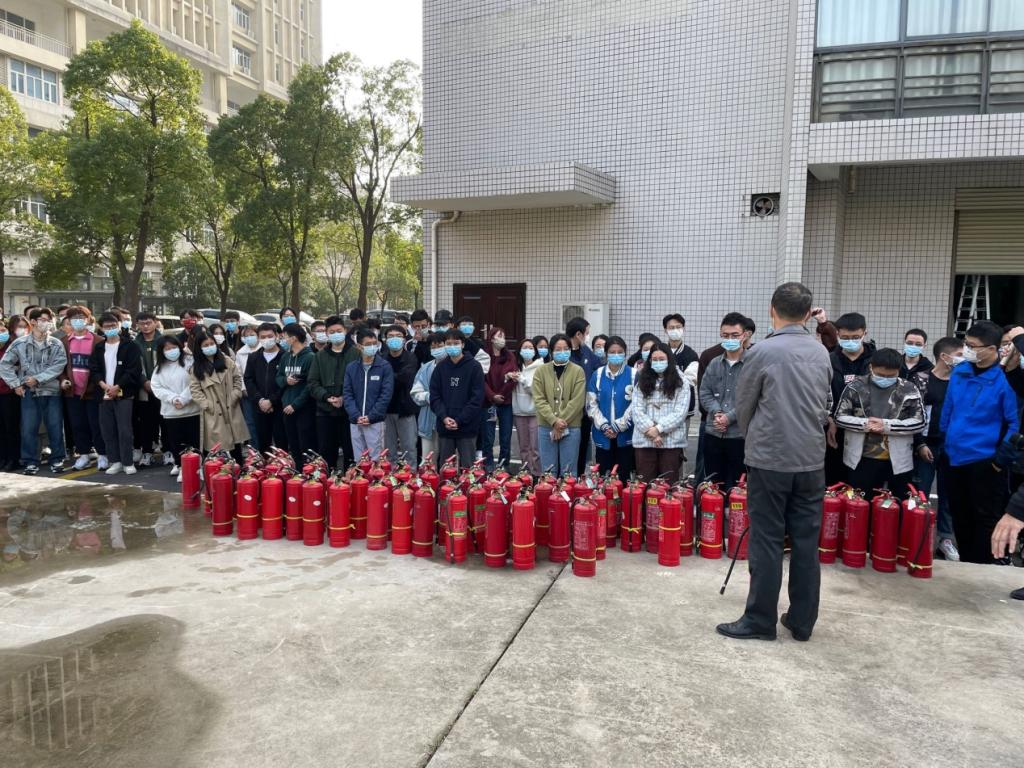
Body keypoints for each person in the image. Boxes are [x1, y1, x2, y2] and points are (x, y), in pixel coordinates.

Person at [718, 282, 832, 643]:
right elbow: (823, 402)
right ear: (807, 313)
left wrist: (755, 436)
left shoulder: (762, 352)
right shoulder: (820, 352)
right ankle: (802, 620)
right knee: (805, 542)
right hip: (811, 460)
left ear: (772, 310)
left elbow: (745, 405)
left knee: (767, 540)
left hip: (770, 459)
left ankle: (760, 619)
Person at [941, 321, 1020, 564]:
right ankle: (966, 564)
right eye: (966, 343)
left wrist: (999, 460)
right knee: (959, 515)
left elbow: (1014, 423)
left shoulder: (1005, 379)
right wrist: (945, 440)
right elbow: (949, 407)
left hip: (985, 460)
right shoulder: (960, 371)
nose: (967, 349)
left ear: (992, 349)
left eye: (973, 346)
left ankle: (983, 567)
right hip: (953, 456)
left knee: (984, 519)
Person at [834, 347, 926, 501]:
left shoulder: (909, 389)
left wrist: (886, 426)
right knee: (860, 505)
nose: (885, 378)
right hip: (861, 459)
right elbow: (839, 417)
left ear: (899, 371)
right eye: (880, 375)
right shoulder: (855, 387)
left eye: (891, 376)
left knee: (897, 505)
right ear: (871, 367)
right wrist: (866, 424)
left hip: (898, 461)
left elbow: (920, 421)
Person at [911, 336, 963, 561]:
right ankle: (918, 535)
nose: (964, 359)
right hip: (926, 444)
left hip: (952, 446)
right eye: (960, 355)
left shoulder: (962, 380)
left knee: (948, 494)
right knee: (920, 492)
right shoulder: (921, 379)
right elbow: (912, 413)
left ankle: (946, 538)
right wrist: (919, 443)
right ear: (944, 356)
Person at [0, 308, 68, 474]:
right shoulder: (20, 343)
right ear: (33, 322)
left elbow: (59, 365)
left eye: (49, 320)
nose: (47, 323)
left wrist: (38, 378)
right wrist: (15, 384)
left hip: (51, 391)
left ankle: (57, 459)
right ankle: (30, 461)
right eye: (43, 320)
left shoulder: (56, 343)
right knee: (28, 429)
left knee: (55, 427)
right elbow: (5, 364)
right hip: (29, 392)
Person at [699, 315, 753, 491]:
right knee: (714, 485)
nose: (730, 339)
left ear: (744, 335)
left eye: (735, 335)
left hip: (740, 435)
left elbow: (752, 398)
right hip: (713, 432)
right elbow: (704, 392)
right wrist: (717, 413)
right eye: (725, 335)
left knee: (739, 486)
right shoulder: (714, 363)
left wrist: (729, 418)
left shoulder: (753, 364)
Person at [89, 312, 143, 476]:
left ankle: (127, 462)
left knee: (124, 429)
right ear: (101, 328)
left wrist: (117, 386)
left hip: (124, 393)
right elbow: (94, 370)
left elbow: (133, 370)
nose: (111, 328)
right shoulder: (99, 347)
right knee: (108, 429)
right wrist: (103, 385)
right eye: (107, 326)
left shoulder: (130, 346)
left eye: (113, 325)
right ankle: (115, 461)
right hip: (104, 393)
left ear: (119, 325)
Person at [631, 342, 689, 484]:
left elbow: (680, 412)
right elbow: (636, 409)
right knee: (645, 483)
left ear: (669, 359)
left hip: (671, 441)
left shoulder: (681, 381)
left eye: (662, 359)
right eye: (654, 359)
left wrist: (658, 429)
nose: (658, 362)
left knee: (669, 484)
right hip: (645, 440)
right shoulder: (642, 379)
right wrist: (650, 429)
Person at [826, 312, 874, 484]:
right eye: (845, 338)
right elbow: (821, 392)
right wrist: (829, 418)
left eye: (856, 337)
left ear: (864, 333)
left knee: (862, 482)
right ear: (837, 334)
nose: (851, 341)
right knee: (833, 481)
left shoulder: (875, 360)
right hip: (834, 429)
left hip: (867, 430)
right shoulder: (829, 360)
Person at [308, 316, 359, 469]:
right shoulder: (320, 356)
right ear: (327, 334)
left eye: (339, 331)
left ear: (345, 331)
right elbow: (312, 382)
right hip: (325, 412)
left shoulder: (356, 353)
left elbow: (360, 382)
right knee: (326, 453)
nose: (336, 334)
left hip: (349, 412)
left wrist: (344, 398)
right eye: (332, 332)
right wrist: (326, 397)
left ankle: (350, 480)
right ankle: (329, 480)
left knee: (351, 453)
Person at [429, 329, 485, 469]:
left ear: (463, 344)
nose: (452, 346)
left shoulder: (474, 367)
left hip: (467, 427)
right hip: (445, 426)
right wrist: (444, 417)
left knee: (468, 468)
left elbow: (477, 399)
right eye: (448, 343)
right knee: (446, 468)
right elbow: (434, 396)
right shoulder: (440, 367)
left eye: (456, 343)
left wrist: (460, 419)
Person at [59, 306, 106, 471]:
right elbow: (60, 366)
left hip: (93, 391)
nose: (78, 320)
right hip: (72, 392)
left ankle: (102, 454)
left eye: (81, 317)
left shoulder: (98, 340)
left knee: (96, 424)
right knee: (78, 424)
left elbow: (103, 366)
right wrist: (63, 380)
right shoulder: (64, 341)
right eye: (74, 318)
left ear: (88, 319)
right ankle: (83, 454)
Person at [533, 333, 586, 477]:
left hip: (571, 426)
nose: (562, 352)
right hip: (546, 426)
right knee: (548, 471)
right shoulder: (541, 371)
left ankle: (567, 492)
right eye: (558, 349)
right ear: (551, 351)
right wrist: (553, 421)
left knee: (568, 472)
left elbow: (578, 401)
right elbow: (539, 399)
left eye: (566, 349)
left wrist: (560, 423)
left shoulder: (578, 371)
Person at [189, 332, 248, 459]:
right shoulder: (196, 368)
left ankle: (238, 467)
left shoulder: (227, 361)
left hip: (231, 405)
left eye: (212, 343)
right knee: (217, 446)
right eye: (205, 345)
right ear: (199, 348)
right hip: (214, 410)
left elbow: (237, 378)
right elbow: (195, 390)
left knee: (236, 443)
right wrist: (207, 404)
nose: (210, 347)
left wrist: (235, 394)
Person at [150, 336, 200, 481]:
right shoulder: (159, 368)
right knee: (176, 441)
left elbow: (196, 381)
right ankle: (180, 465)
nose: (171, 351)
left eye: (174, 347)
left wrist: (184, 398)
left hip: (192, 410)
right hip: (171, 412)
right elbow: (156, 387)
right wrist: (173, 398)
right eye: (167, 349)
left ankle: (198, 466)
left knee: (194, 440)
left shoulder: (190, 361)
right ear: (162, 351)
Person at [586, 336, 634, 483]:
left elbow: (636, 405)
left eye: (620, 352)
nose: (616, 355)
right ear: (606, 354)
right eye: (612, 352)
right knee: (604, 477)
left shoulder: (633, 374)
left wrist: (618, 426)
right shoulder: (597, 374)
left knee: (624, 478)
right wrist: (605, 426)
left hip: (626, 434)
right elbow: (591, 404)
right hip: (603, 434)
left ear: (625, 353)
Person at [344, 328, 394, 462]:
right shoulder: (351, 367)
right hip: (356, 421)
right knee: (359, 460)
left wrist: (372, 416)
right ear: (359, 346)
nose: (372, 347)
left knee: (376, 459)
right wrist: (355, 415)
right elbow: (347, 394)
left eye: (374, 343)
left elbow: (386, 394)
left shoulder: (384, 367)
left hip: (375, 421)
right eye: (368, 344)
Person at [244, 323, 287, 453]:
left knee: (282, 444)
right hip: (259, 406)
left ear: (277, 336)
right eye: (263, 337)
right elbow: (248, 379)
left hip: (280, 407)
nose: (266, 339)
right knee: (263, 444)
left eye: (270, 336)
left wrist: (272, 401)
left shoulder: (286, 356)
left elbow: (285, 382)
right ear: (258, 338)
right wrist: (260, 400)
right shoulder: (253, 357)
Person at [276, 323, 315, 467]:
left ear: (293, 338)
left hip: (303, 407)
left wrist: (295, 404)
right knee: (293, 444)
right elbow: (278, 377)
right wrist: (285, 380)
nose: (283, 340)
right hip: (286, 406)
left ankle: (309, 471)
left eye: (285, 337)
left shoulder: (310, 357)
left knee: (305, 443)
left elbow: (310, 385)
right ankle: (297, 471)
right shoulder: (285, 357)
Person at [133, 312, 167, 467]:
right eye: (142, 323)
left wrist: (156, 383)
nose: (145, 326)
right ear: (137, 325)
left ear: (155, 322)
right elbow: (133, 366)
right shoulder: (135, 343)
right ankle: (147, 452)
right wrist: (144, 382)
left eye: (148, 322)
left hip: (163, 388)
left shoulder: (164, 341)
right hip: (143, 389)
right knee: (146, 422)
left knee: (164, 421)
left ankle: (168, 451)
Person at [481, 326, 517, 471]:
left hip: (505, 402)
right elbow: (481, 380)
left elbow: (514, 378)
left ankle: (504, 466)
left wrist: (500, 395)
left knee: (505, 436)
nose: (502, 339)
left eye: (503, 336)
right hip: (488, 403)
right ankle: (488, 465)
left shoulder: (510, 356)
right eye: (499, 336)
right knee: (488, 437)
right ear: (491, 338)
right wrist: (492, 396)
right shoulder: (484, 356)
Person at [382, 324, 419, 464]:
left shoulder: (411, 358)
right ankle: (389, 476)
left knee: (409, 448)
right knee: (388, 451)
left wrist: (387, 377)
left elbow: (406, 378)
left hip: (405, 409)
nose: (394, 339)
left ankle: (411, 475)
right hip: (385, 409)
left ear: (404, 339)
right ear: (385, 340)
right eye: (390, 336)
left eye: (398, 336)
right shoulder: (381, 358)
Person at [566, 317, 598, 476]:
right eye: (587, 333)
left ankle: (578, 477)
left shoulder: (586, 351)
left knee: (582, 446)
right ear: (578, 334)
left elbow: (598, 367)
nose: (587, 336)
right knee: (567, 448)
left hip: (584, 411)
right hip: (567, 412)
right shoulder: (563, 352)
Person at [511, 336, 544, 476]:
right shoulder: (515, 366)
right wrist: (508, 377)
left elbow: (536, 390)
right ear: (519, 351)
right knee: (523, 446)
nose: (528, 350)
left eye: (531, 348)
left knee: (535, 447)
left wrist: (522, 379)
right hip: (519, 411)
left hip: (535, 412)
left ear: (535, 351)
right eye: (525, 348)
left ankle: (537, 474)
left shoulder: (540, 367)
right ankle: (525, 473)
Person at [411, 333, 446, 460]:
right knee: (428, 459)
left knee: (449, 460)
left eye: (439, 346)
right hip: (428, 419)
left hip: (449, 418)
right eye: (433, 347)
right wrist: (429, 397)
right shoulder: (425, 368)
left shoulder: (455, 366)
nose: (436, 349)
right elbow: (415, 392)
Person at [234, 325, 261, 448]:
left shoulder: (264, 349)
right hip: (247, 393)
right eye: (246, 336)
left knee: (264, 422)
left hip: (263, 392)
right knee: (250, 422)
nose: (249, 338)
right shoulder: (240, 353)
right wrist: (243, 388)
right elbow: (238, 373)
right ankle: (254, 449)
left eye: (252, 335)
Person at [0, 319, 21, 471]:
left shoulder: (13, 347)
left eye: (2, 330)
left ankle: (13, 458)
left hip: (9, 392)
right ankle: (3, 457)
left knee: (11, 427)